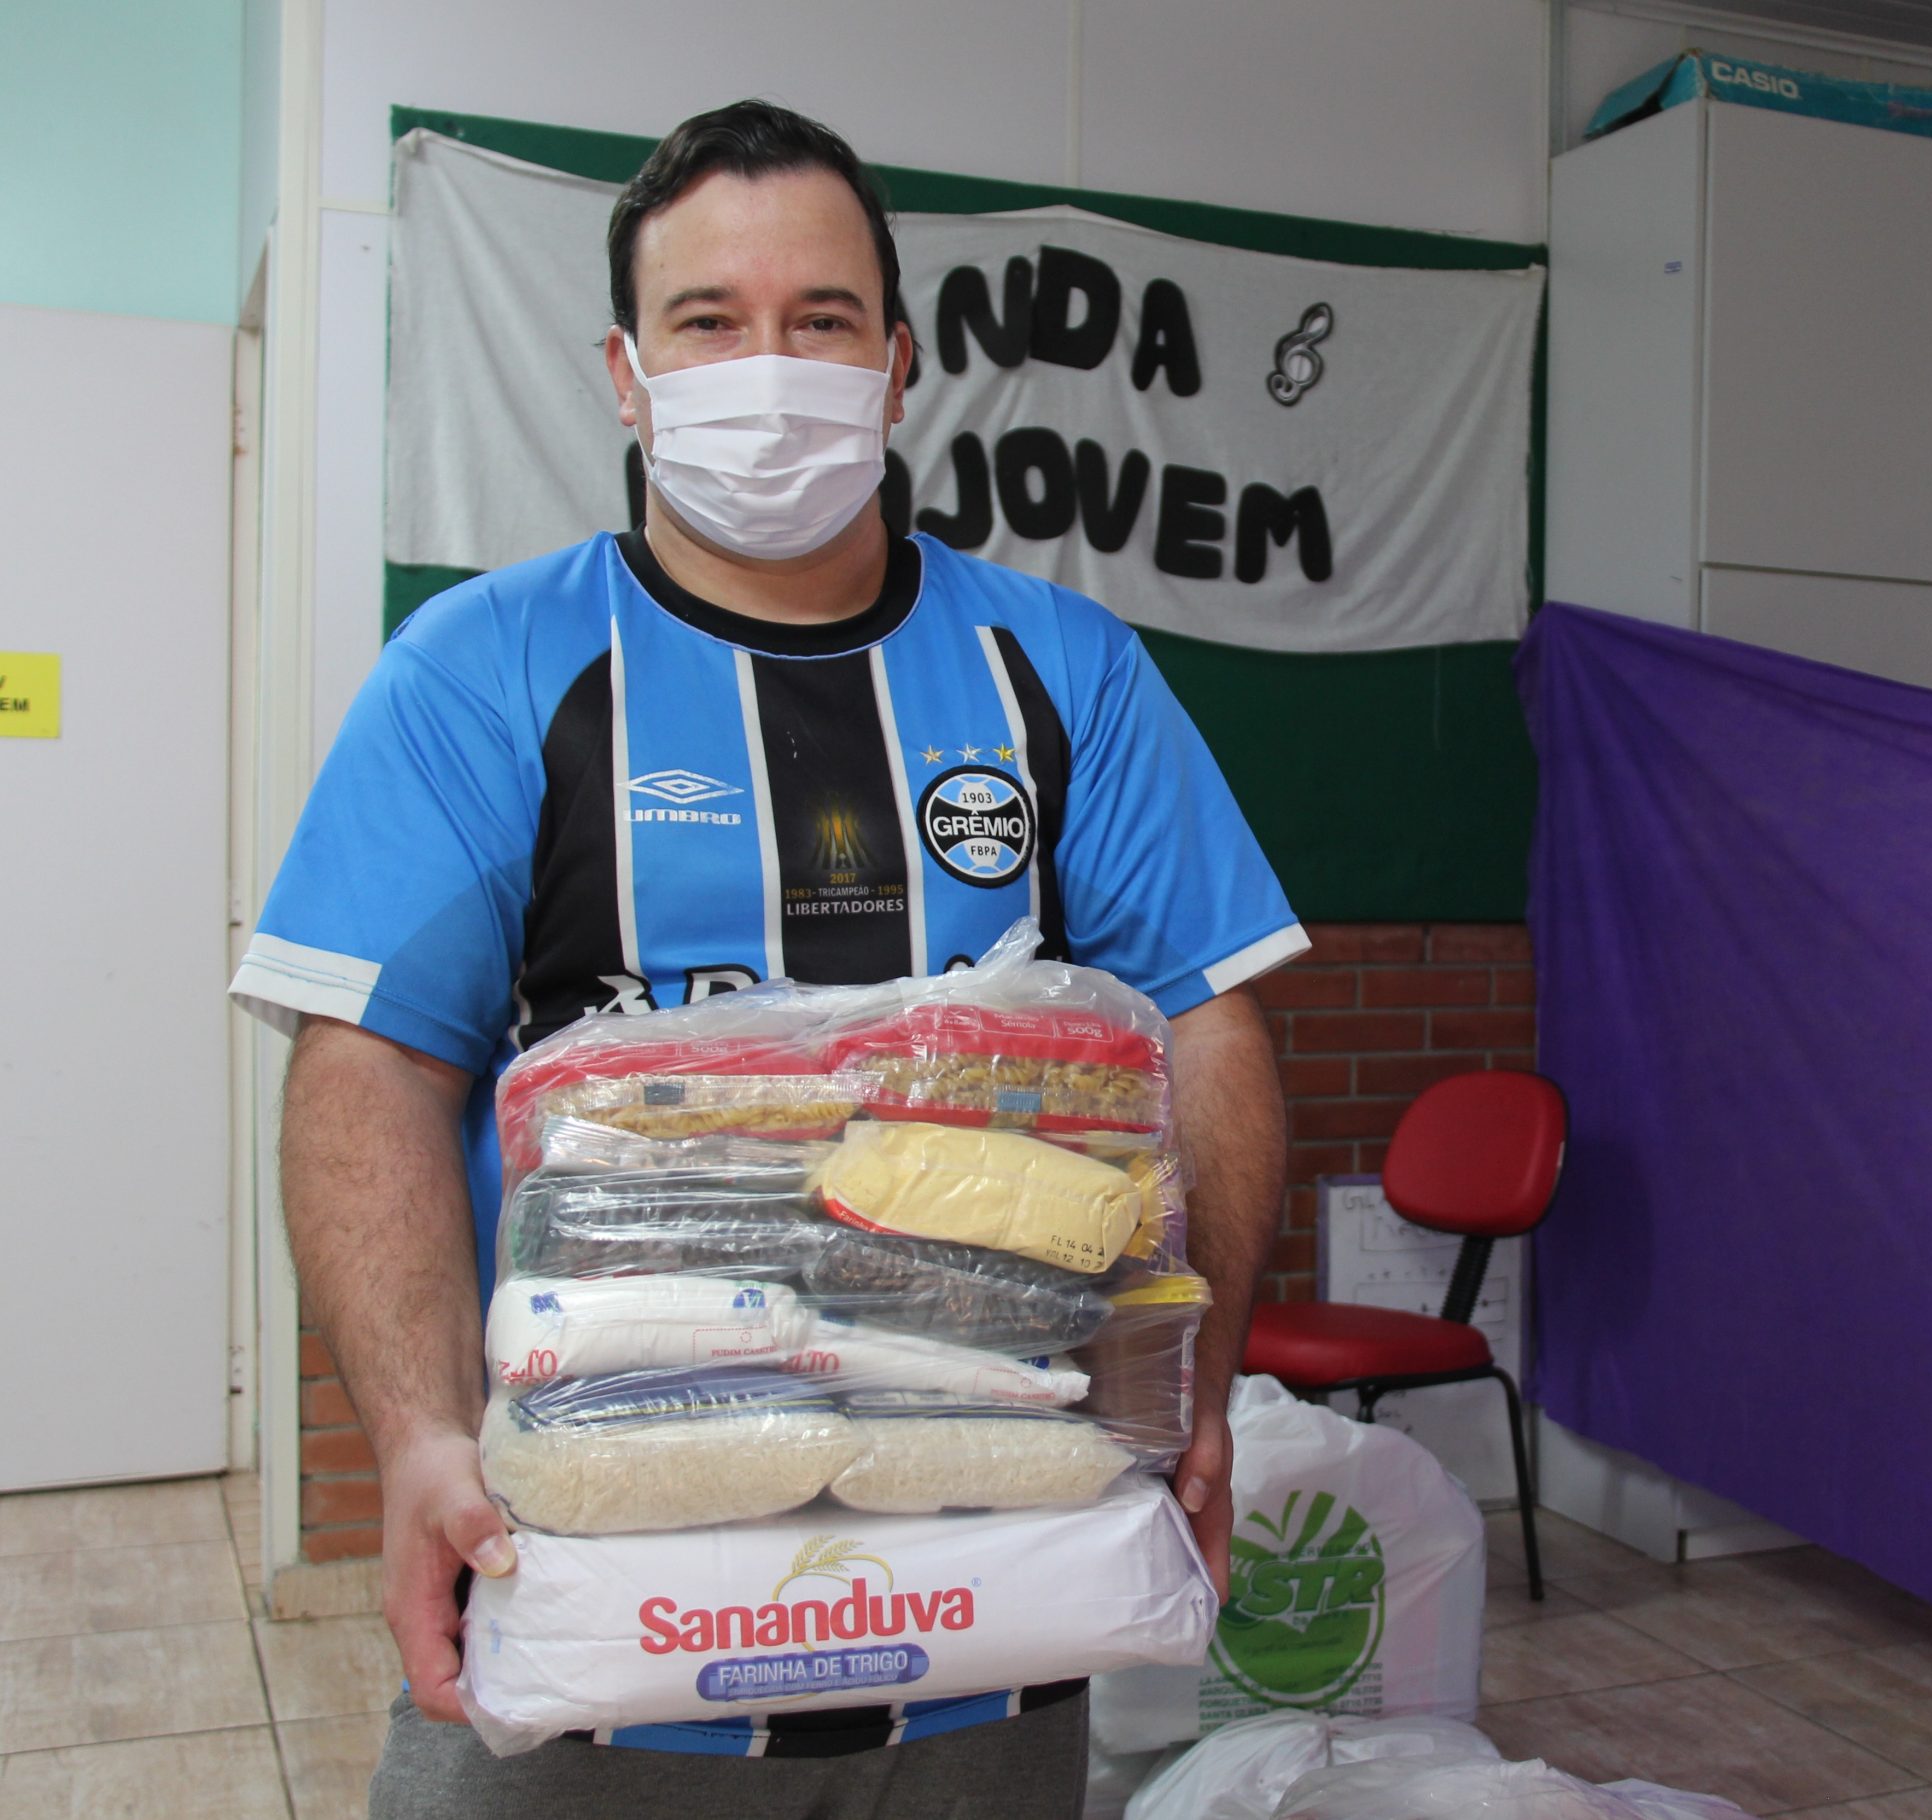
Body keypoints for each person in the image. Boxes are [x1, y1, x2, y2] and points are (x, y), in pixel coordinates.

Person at [230, 99, 1302, 1817]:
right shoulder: (480, 670)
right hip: (587, 1617)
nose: (770, 370)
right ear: (626, 373)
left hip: (990, 1600)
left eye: (820, 319)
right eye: (708, 322)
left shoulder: (1065, 671)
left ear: (897, 364)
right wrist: (422, 1441)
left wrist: (1198, 1382)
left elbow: (1210, 1026)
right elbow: (369, 1066)